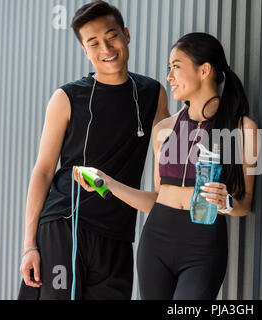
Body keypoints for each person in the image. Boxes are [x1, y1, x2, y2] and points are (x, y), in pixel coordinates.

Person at [73, 32, 259, 300]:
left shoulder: (245, 131)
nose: (169, 77)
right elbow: (156, 199)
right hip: (155, 244)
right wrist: (107, 182)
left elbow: (246, 204)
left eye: (176, 67)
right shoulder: (163, 130)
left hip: (203, 247)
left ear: (204, 70)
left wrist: (227, 203)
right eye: (168, 69)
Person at [18, 0, 170, 300]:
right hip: (66, 224)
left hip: (117, 234)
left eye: (112, 35)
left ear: (126, 34)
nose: (106, 48)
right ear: (85, 51)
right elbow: (44, 170)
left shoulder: (153, 93)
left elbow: (167, 157)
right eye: (94, 42)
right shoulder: (66, 97)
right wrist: (29, 245)